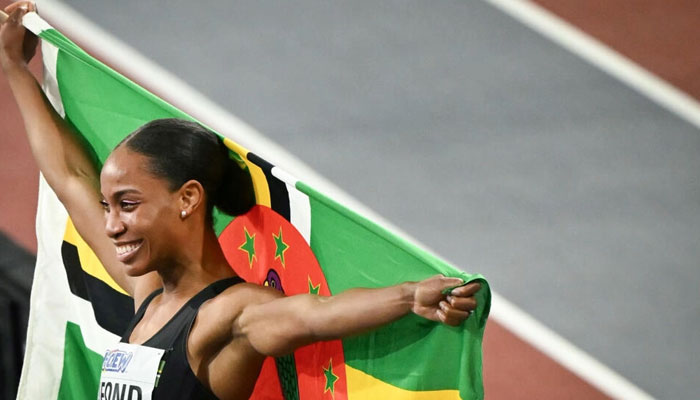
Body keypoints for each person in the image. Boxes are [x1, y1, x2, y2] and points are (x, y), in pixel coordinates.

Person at [1, 2, 481, 399]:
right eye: (109, 208)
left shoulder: (230, 316)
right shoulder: (147, 297)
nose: (110, 226)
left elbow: (314, 315)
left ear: (188, 198)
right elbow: (68, 176)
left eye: (127, 205)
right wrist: (15, 68)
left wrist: (408, 296)